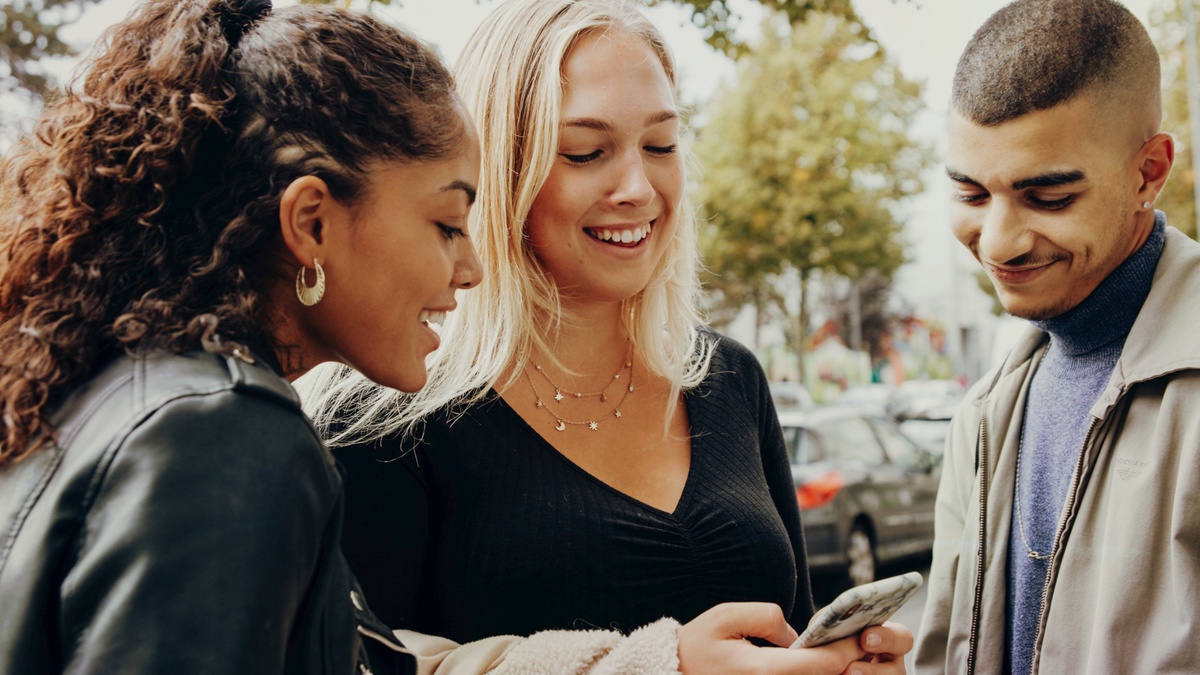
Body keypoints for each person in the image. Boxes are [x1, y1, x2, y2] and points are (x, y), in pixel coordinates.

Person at [301, 0, 912, 672]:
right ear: (499, 172)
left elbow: (783, 635)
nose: (638, 187)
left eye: (660, 145)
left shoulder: (731, 376)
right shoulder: (384, 415)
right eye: (587, 152)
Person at [0, 0, 484, 671]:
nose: (473, 269)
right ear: (312, 223)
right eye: (449, 225)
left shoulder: (110, 396)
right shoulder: (224, 436)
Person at [913, 0, 1200, 673]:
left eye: (1048, 197)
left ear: (1148, 172)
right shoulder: (982, 414)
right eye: (971, 193)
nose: (999, 241)